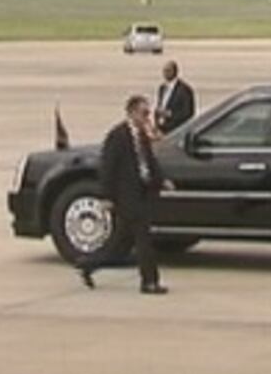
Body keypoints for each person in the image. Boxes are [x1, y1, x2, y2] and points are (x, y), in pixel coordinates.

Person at [81, 94, 170, 294]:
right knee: (144, 240)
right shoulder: (117, 136)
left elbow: (149, 162)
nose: (147, 117)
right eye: (143, 113)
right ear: (131, 113)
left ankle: (88, 265)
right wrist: (106, 197)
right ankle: (149, 282)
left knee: (118, 245)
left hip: (141, 193)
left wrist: (161, 180)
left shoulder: (141, 135)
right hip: (127, 197)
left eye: (148, 113)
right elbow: (107, 168)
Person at [153, 61, 196, 135]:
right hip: (162, 128)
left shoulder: (184, 90)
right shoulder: (162, 88)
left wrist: (170, 114)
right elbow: (160, 105)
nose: (165, 73)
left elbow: (188, 113)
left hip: (177, 129)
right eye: (164, 71)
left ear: (175, 72)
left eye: (168, 71)